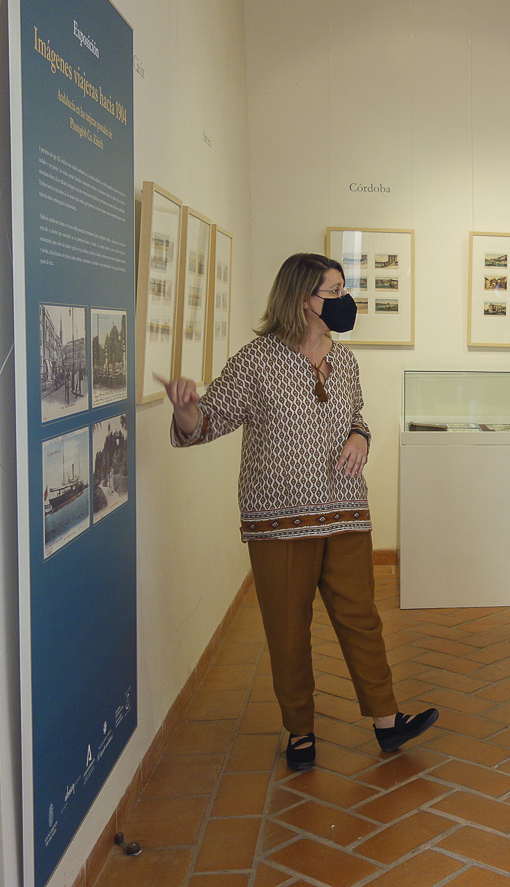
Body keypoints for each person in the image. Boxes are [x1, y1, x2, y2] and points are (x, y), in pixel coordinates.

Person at [159, 252, 437, 771]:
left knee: (362, 619)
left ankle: (386, 719)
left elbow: (355, 416)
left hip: (346, 512)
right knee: (288, 628)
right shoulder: (256, 360)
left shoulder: (345, 359)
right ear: (301, 299)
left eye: (341, 289)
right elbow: (209, 420)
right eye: (332, 292)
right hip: (279, 520)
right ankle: (300, 730)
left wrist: (360, 435)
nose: (342, 300)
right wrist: (185, 408)